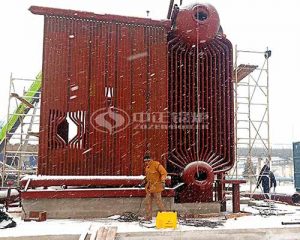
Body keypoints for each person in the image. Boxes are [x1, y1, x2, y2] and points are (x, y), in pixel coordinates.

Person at [143, 154, 167, 221]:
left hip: (157, 187)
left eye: (147, 161)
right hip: (149, 188)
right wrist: (145, 180)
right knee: (148, 202)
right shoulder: (147, 168)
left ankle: (165, 217)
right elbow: (149, 177)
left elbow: (164, 173)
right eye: (145, 161)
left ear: (150, 159)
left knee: (159, 202)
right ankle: (148, 217)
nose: (146, 162)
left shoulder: (156, 164)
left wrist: (163, 181)